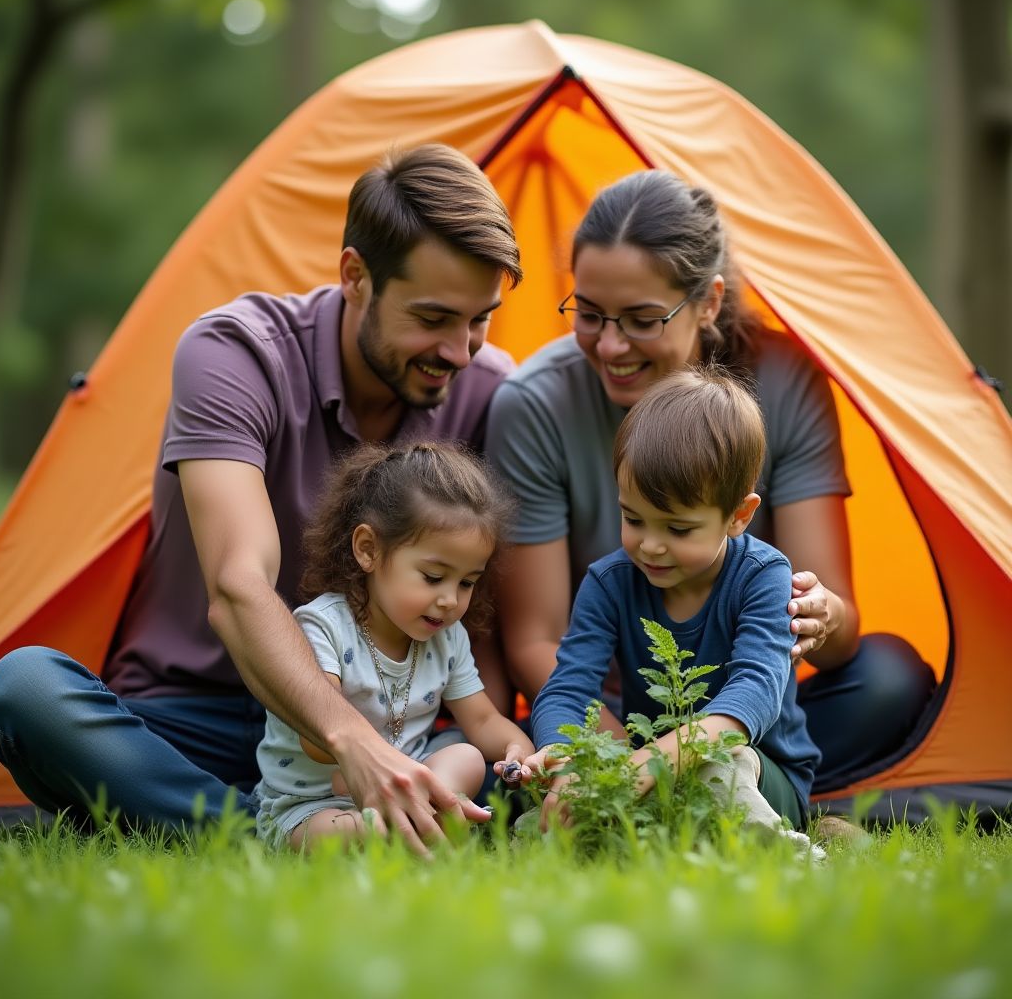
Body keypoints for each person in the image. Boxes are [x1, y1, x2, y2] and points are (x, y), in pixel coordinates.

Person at [0, 143, 523, 853]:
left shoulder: (487, 388)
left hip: (394, 722)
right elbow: (239, 583)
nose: (460, 350)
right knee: (25, 689)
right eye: (433, 318)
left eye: (479, 319)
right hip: (196, 716)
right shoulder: (235, 354)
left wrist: (480, 750)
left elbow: (481, 609)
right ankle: (269, 839)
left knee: (475, 762)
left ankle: (206, 825)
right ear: (355, 276)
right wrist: (351, 741)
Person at [486, 169, 935, 794]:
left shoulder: (784, 382)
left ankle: (771, 788)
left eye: (642, 319)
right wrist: (624, 763)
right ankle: (746, 794)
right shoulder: (534, 405)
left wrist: (823, 617)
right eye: (589, 314)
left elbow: (831, 634)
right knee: (503, 765)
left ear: (710, 302)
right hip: (617, 714)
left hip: (752, 703)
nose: (611, 345)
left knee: (888, 680)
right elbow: (538, 642)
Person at [525, 368, 820, 834]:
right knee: (548, 809)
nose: (650, 546)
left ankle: (786, 849)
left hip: (762, 771)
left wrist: (652, 760)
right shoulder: (608, 582)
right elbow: (567, 691)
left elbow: (754, 696)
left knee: (720, 768)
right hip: (648, 765)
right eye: (633, 518)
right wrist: (566, 759)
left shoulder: (764, 577)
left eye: (678, 529)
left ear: (738, 516)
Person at [255, 441, 534, 850]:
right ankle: (415, 825)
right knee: (323, 836)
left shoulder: (446, 637)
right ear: (369, 549)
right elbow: (317, 743)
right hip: (315, 804)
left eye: (467, 582)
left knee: (468, 758)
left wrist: (517, 747)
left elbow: (482, 721)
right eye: (434, 577)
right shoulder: (323, 626)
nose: (450, 600)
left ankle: (413, 822)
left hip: (408, 786)